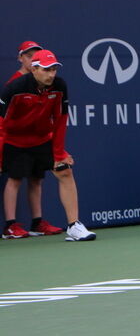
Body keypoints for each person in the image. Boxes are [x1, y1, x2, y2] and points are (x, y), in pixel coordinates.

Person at [0, 50, 96, 242]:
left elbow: (61, 119)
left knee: (65, 171)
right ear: (34, 69)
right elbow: (2, 125)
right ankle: (10, 225)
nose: (51, 74)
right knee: (15, 178)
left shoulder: (59, 86)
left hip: (42, 139)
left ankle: (74, 226)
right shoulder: (14, 88)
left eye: (53, 69)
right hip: (14, 140)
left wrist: (59, 152)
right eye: (46, 70)